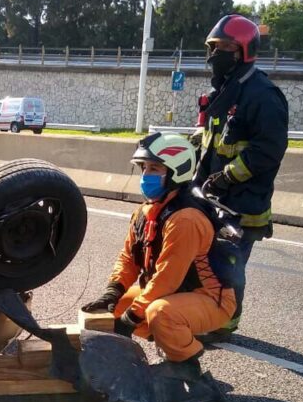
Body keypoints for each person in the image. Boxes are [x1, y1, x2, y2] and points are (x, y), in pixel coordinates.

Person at [81, 132, 238, 380]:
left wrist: (131, 319)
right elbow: (128, 258)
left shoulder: (186, 219)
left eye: (155, 168)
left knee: (159, 314)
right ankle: (167, 341)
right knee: (116, 308)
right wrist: (113, 291)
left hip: (210, 299)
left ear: (177, 171)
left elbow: (167, 278)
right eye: (144, 168)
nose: (146, 176)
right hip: (171, 293)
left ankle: (188, 368)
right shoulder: (146, 212)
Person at [194, 13, 288, 336]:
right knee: (207, 260)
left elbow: (268, 149)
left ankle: (224, 323)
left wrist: (228, 176)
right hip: (215, 199)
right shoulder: (225, 91)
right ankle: (207, 313)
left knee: (229, 265)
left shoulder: (263, 95)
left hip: (244, 205)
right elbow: (211, 141)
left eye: (222, 47)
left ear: (242, 50)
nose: (214, 55)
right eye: (213, 47)